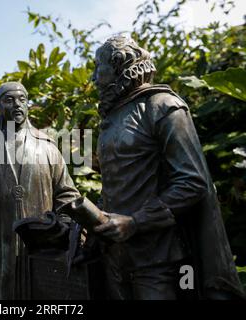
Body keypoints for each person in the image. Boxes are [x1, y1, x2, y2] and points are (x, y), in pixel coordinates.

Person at [91, 35, 245, 300]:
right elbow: (119, 184)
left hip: (158, 258)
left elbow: (193, 182)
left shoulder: (162, 106)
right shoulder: (111, 119)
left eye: (97, 67)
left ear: (117, 64)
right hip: (116, 256)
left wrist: (136, 222)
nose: (94, 78)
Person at [0, 82, 80, 299]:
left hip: (42, 245)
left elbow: (66, 193)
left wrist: (64, 229)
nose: (17, 105)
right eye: (9, 100)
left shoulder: (47, 148)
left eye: (22, 99)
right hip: (2, 246)